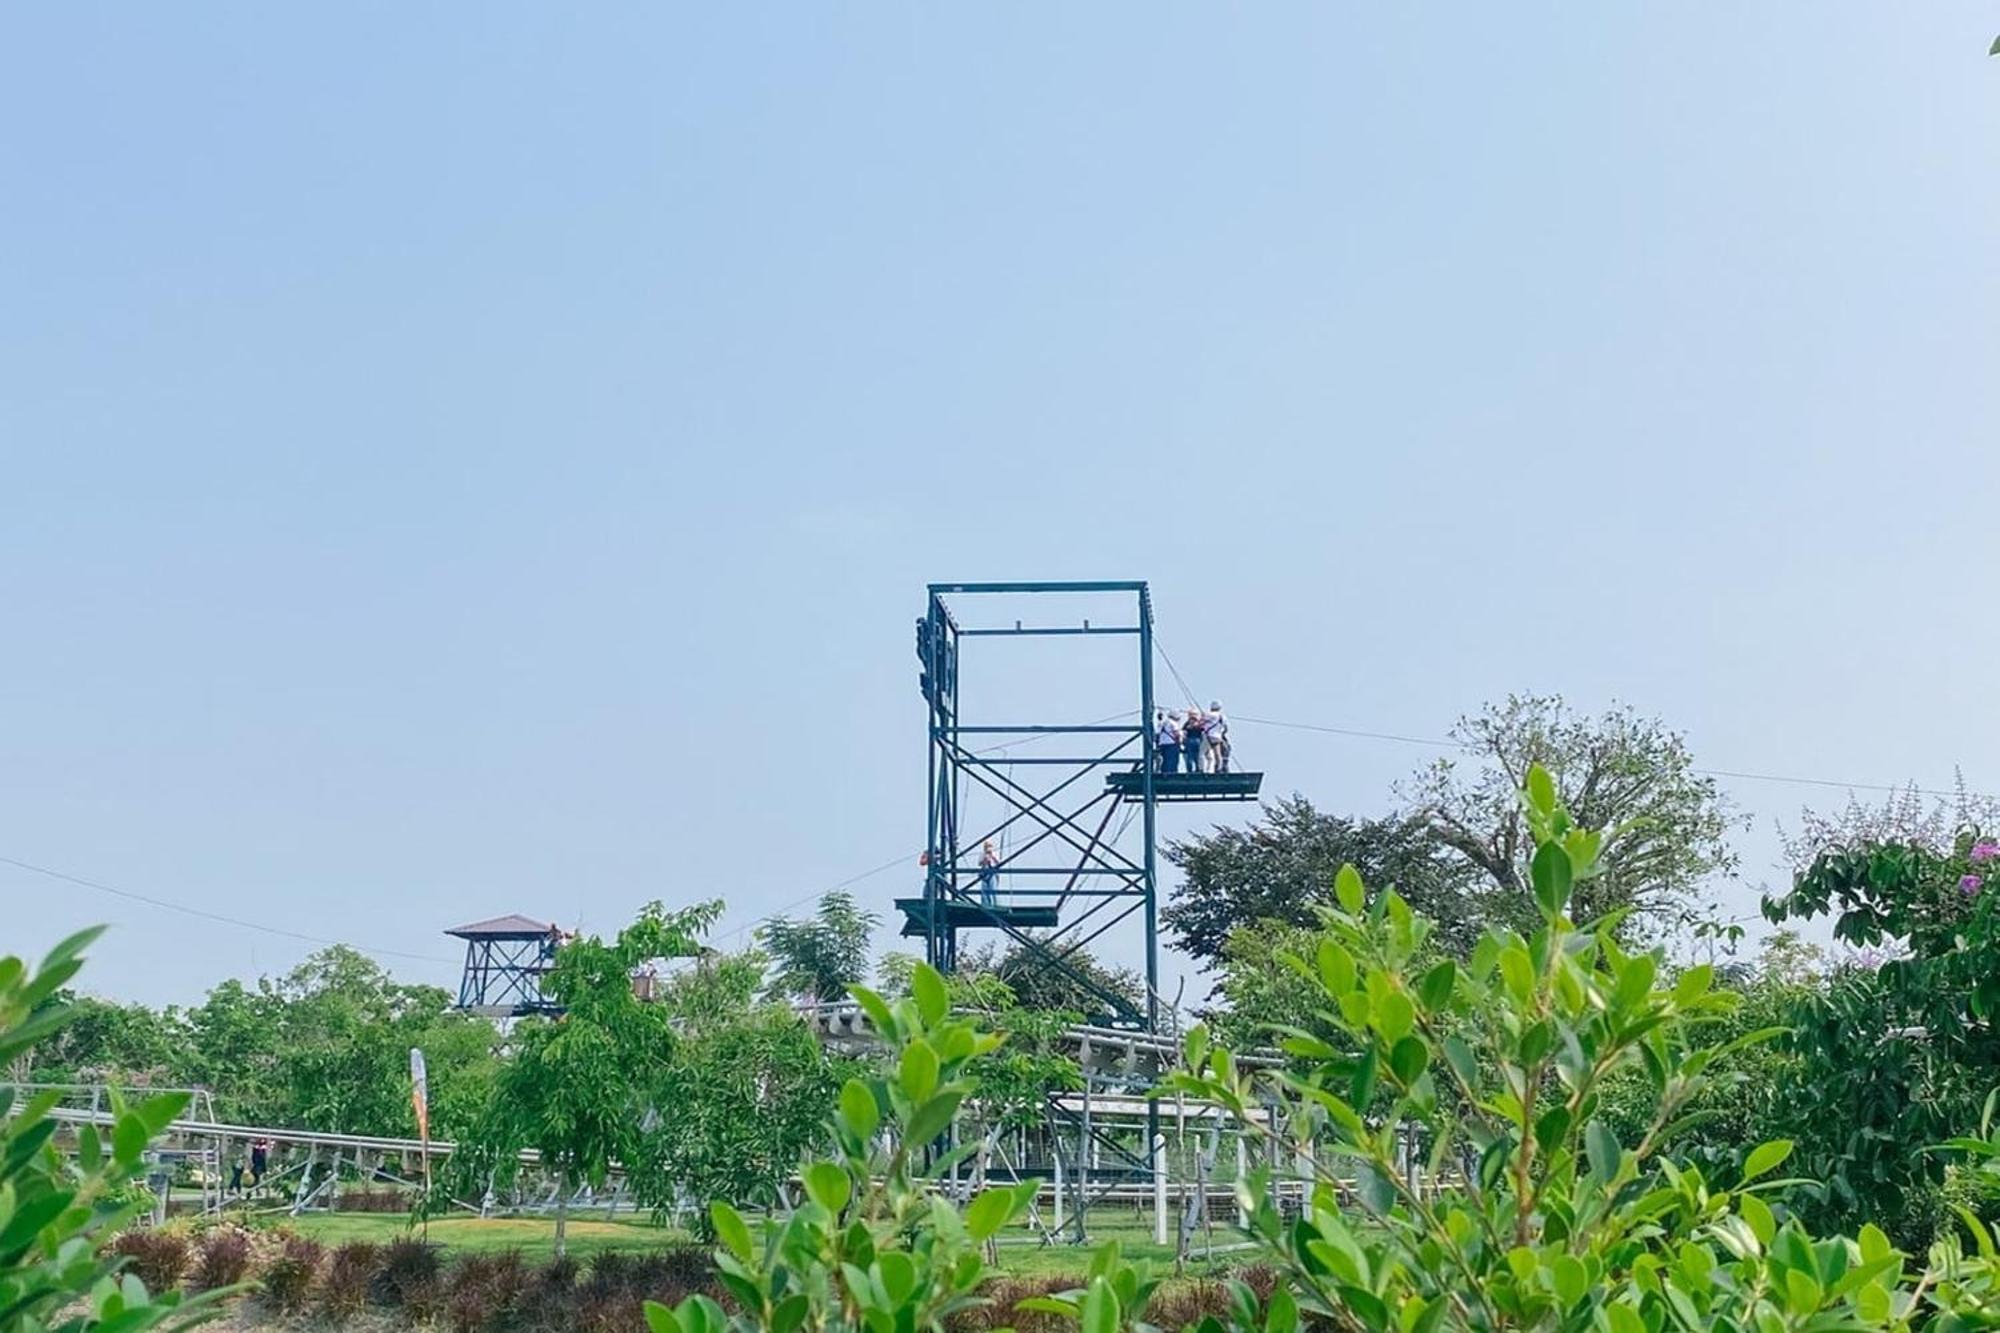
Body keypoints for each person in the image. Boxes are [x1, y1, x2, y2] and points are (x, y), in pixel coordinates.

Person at [1203, 701, 1230, 773]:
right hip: (1218, 737)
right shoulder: (1223, 717)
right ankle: (1219, 768)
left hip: (1208, 737)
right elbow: (1226, 728)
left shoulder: (1209, 714)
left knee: (1203, 753)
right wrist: (1221, 733)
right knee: (1217, 754)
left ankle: (1206, 769)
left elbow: (1202, 720)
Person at [1154, 709, 1182, 773]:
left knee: (1165, 760)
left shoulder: (1162, 723)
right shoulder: (1173, 723)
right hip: (1171, 743)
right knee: (1172, 760)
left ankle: (1164, 772)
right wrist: (1180, 740)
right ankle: (1172, 773)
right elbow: (1176, 733)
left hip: (1162, 744)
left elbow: (1157, 733)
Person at [1181, 708, 1205, 776]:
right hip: (1198, 741)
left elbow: (1184, 733)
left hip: (1189, 741)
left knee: (1190, 756)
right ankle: (1198, 769)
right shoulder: (1199, 723)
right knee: (1197, 756)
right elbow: (1203, 731)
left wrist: (1183, 742)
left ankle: (1190, 770)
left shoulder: (1187, 724)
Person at [978, 839, 1000, 906]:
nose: (988, 847)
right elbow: (979, 863)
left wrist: (992, 857)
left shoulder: (995, 853)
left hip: (992, 873)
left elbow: (998, 862)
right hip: (985, 873)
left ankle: (995, 904)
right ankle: (985, 904)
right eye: (986, 846)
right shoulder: (982, 854)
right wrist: (985, 859)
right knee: (984, 891)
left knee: (993, 890)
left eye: (989, 846)